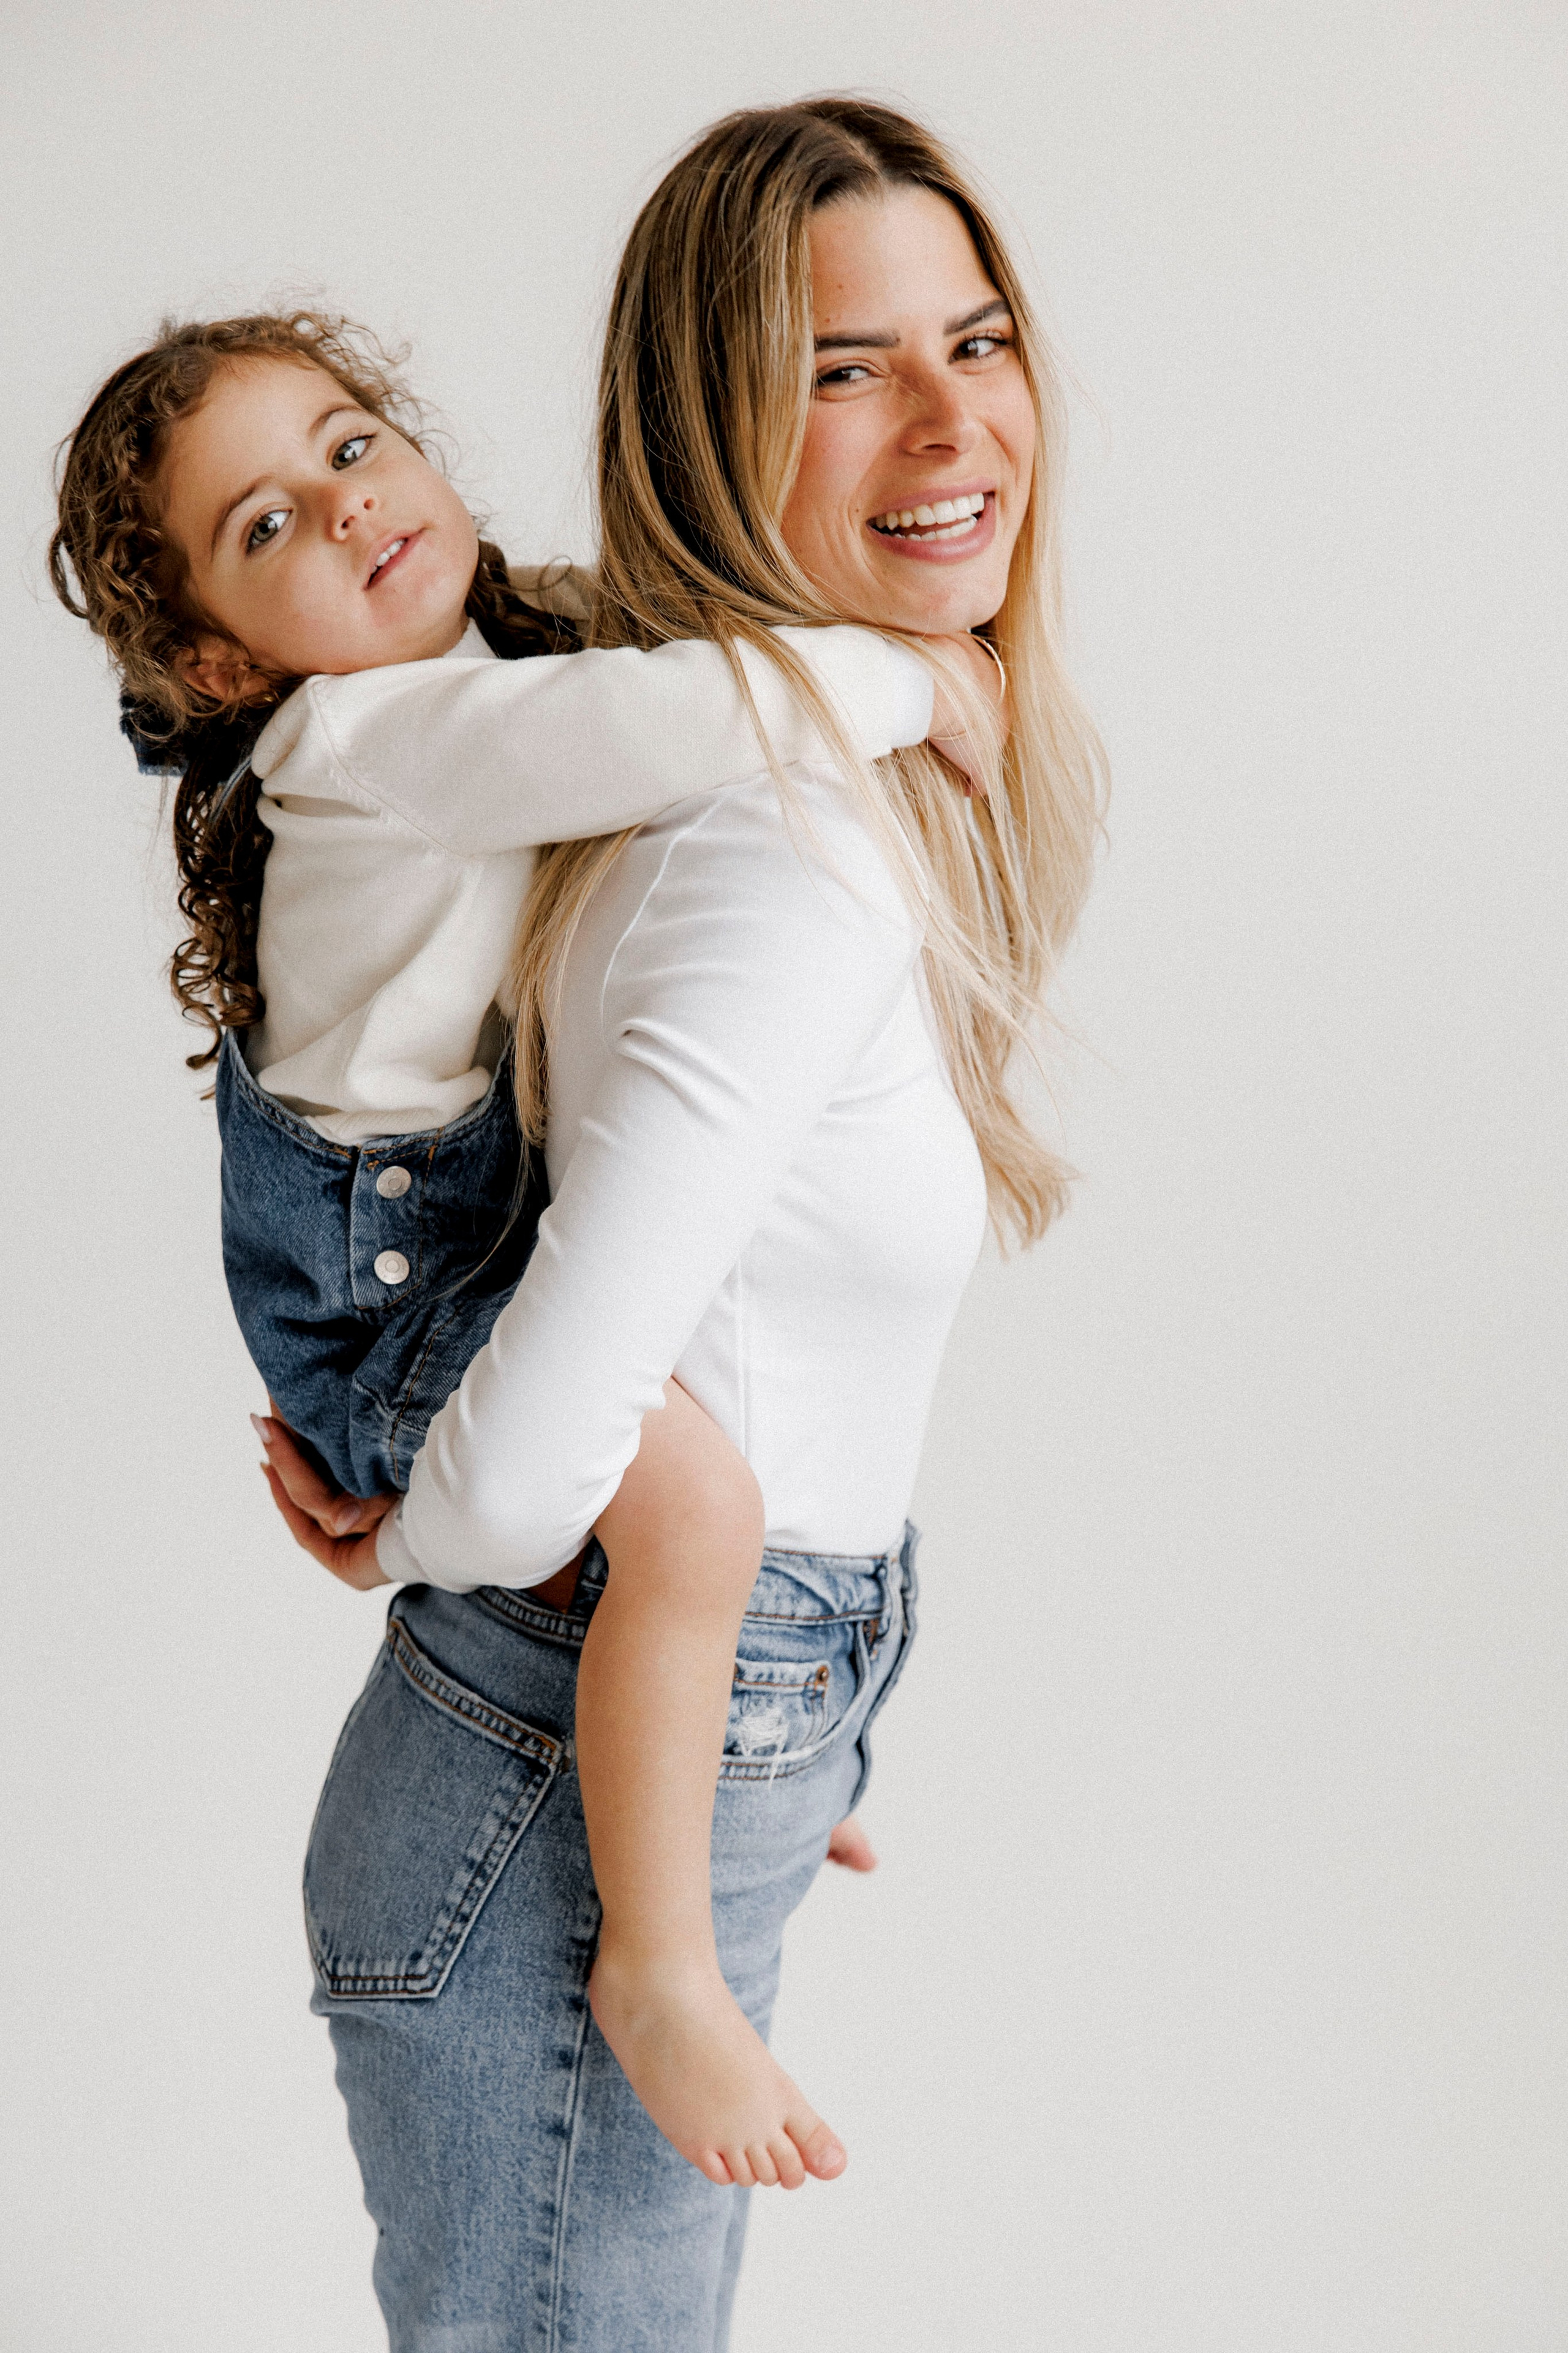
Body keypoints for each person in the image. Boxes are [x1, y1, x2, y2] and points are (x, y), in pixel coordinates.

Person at [260, 95, 1105, 2348]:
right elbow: (568, 1432)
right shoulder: (784, 848)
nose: (954, 420)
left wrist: (771, 1728)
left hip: (614, 1734)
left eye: (981, 336)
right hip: (571, 1781)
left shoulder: (743, 777)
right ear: (710, 425)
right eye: (847, 366)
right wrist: (428, 1530)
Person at [49, 309, 1003, 2192]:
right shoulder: (378, 743)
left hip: (429, 1251)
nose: (345, 509)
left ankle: (734, 1775)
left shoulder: (470, 693)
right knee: (696, 1510)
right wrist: (912, 681)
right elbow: (682, 718)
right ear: (227, 660)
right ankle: (653, 1955)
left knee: (699, 1486)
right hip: (384, 1292)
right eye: (265, 528)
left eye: (349, 443)